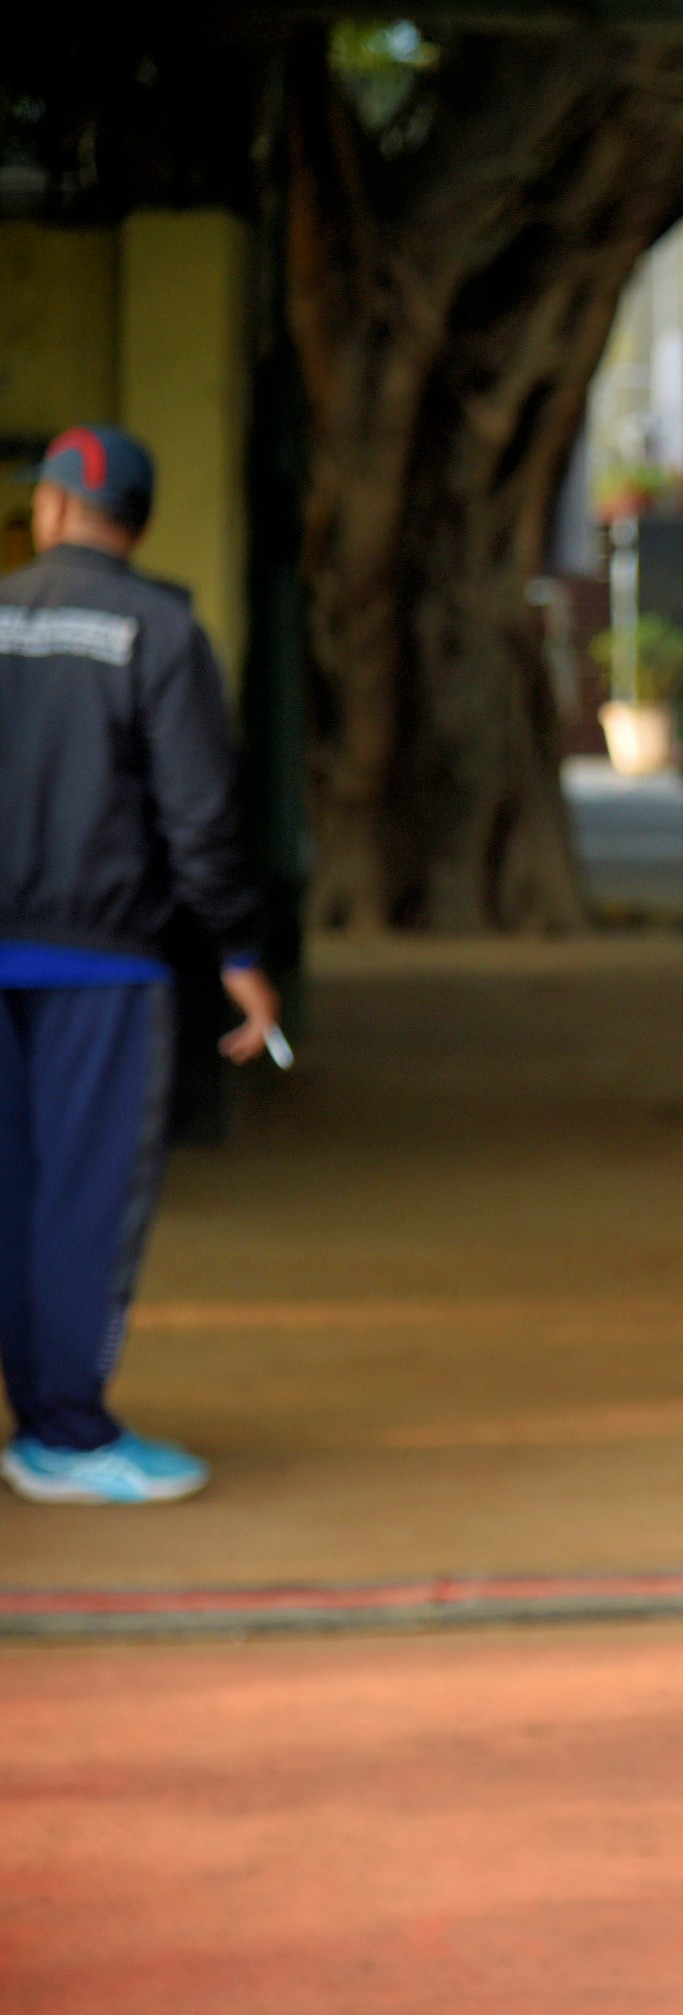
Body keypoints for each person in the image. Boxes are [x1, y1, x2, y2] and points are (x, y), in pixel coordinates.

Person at [0, 425, 279, 1506]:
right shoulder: (159, 629)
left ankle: (46, 1425)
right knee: (81, 1202)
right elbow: (199, 812)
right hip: (103, 963)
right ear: (139, 519)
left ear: (51, 510)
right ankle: (64, 1435)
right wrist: (238, 951)